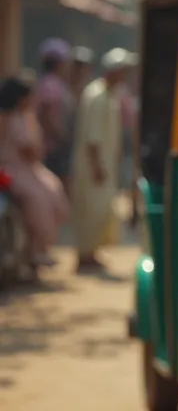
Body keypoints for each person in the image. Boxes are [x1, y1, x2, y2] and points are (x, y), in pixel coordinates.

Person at [70, 48, 137, 272]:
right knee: (91, 208)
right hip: (93, 164)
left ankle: (91, 253)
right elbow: (92, 137)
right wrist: (97, 165)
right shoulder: (97, 96)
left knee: (100, 209)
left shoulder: (110, 95)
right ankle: (84, 255)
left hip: (103, 162)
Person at [0, 72, 70, 268]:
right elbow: (28, 149)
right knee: (38, 198)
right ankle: (36, 251)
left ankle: (38, 248)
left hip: (30, 168)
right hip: (11, 168)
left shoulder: (27, 117)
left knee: (54, 190)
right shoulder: (9, 118)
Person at [35, 38, 74, 185]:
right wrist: (60, 136)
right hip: (53, 147)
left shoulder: (56, 83)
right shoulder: (50, 84)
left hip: (57, 145)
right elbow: (46, 115)